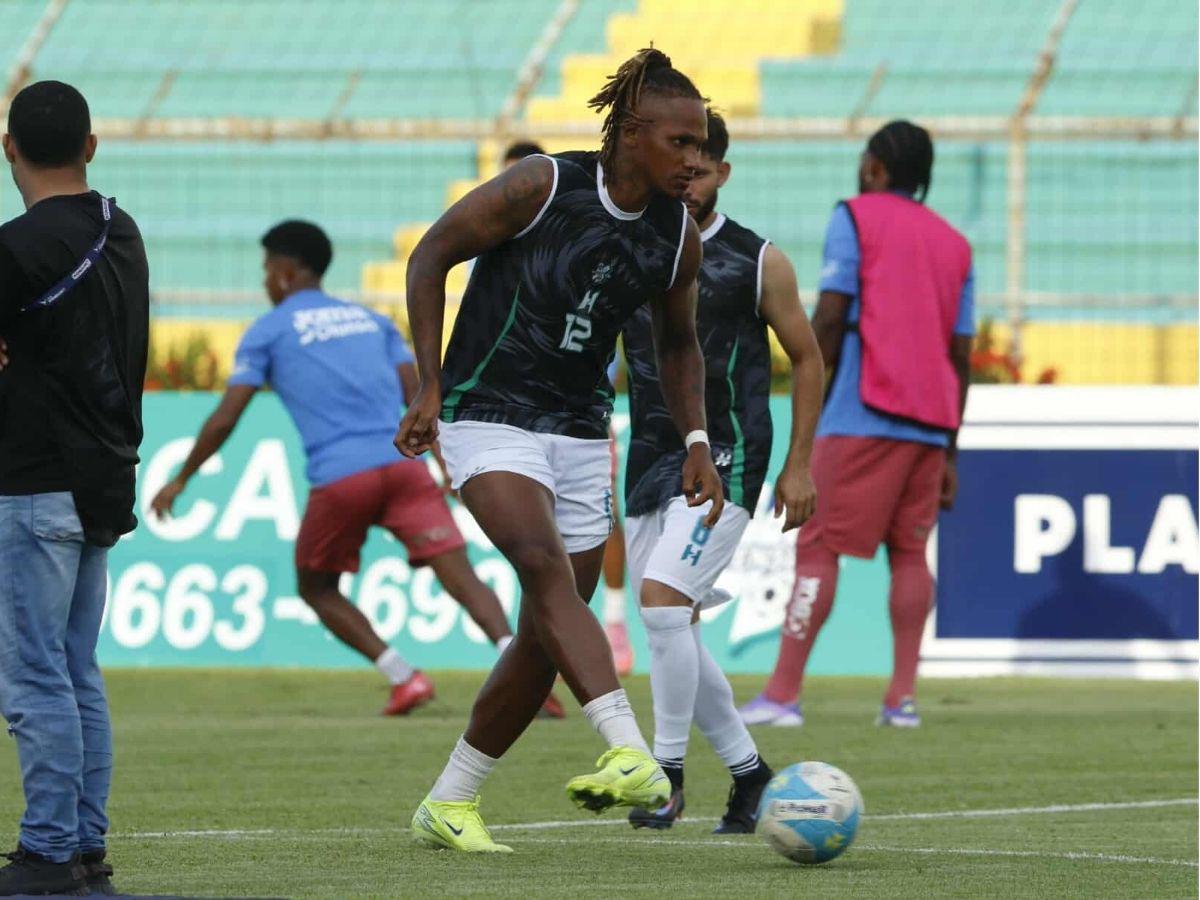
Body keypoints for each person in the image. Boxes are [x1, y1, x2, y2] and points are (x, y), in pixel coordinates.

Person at [399, 48, 723, 853]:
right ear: (631, 134)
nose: (696, 160)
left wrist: (696, 440)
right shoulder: (541, 186)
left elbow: (677, 344)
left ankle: (449, 801)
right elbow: (431, 254)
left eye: (701, 144)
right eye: (681, 142)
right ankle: (629, 749)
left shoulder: (677, 238)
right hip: (486, 411)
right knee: (544, 568)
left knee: (548, 631)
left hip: (580, 429)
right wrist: (431, 384)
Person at [150, 220, 564, 719]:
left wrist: (182, 478)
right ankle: (525, 681)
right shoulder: (372, 321)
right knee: (462, 577)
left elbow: (226, 417)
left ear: (284, 273)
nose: (264, 281)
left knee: (316, 587)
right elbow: (419, 396)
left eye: (266, 270)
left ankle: (404, 677)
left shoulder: (268, 331)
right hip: (404, 468)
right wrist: (445, 465)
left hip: (342, 477)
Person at [621, 109, 823, 833]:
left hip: (729, 454)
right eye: (678, 165)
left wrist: (799, 464)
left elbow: (808, 358)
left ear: (722, 173)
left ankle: (666, 775)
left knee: (662, 603)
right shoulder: (633, 246)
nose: (688, 179)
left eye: (701, 169)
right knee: (669, 622)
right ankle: (750, 776)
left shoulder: (757, 260)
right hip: (648, 455)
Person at [741, 120, 974, 729]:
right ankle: (901, 701)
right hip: (931, 424)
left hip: (862, 413)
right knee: (911, 553)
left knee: (817, 545)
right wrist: (951, 450)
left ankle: (783, 695)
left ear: (875, 167)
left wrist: (804, 409)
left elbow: (830, 317)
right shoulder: (955, 244)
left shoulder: (856, 216)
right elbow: (961, 355)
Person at [0, 81, 148, 897]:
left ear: (8, 148)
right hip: (102, 479)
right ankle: (84, 847)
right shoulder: (120, 229)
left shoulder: (14, 247)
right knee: (75, 670)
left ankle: (48, 852)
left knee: (33, 677)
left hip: (31, 481)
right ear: (91, 146)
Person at [506, 142, 636, 676]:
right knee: (529, 528)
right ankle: (542, 631)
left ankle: (613, 624)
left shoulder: (581, 243)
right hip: (512, 412)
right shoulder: (497, 250)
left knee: (601, 518)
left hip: (580, 413)